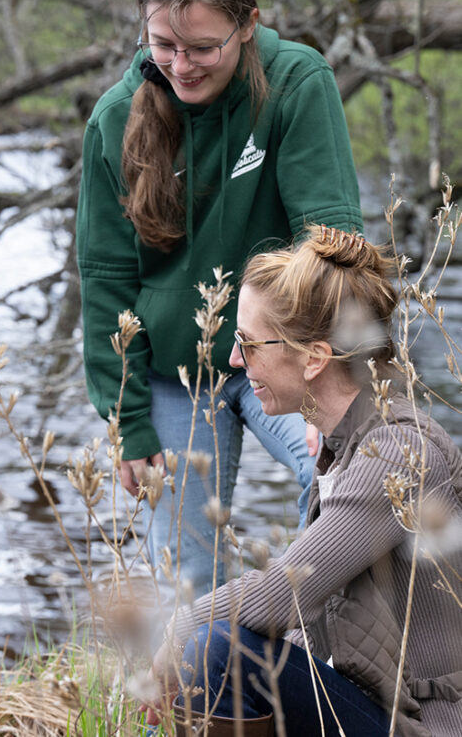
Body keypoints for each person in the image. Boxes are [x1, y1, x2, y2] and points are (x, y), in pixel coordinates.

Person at [76, 0, 364, 595]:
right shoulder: (113, 119)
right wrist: (127, 423)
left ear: (248, 22)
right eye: (163, 45)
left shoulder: (297, 83)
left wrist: (332, 373)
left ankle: (324, 665)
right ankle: (210, 686)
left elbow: (330, 241)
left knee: (350, 479)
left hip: (284, 353)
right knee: (187, 577)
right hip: (171, 372)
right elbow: (105, 280)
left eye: (203, 47)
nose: (181, 66)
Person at [143, 225, 462, 736]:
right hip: (378, 703)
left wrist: (178, 626)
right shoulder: (344, 451)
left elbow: (279, 594)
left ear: (314, 357)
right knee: (222, 650)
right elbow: (308, 622)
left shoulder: (398, 452)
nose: (233, 360)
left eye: (248, 344)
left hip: (428, 724)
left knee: (216, 647)